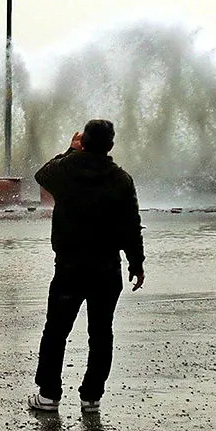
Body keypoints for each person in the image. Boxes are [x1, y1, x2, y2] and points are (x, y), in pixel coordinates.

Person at [29, 119, 145, 414]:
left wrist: (70, 149)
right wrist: (136, 262)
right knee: (101, 332)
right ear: (110, 145)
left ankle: (49, 395)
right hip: (106, 268)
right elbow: (132, 224)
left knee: (56, 330)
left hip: (70, 267)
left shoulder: (67, 170)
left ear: (84, 141)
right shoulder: (121, 179)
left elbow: (42, 174)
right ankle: (91, 397)